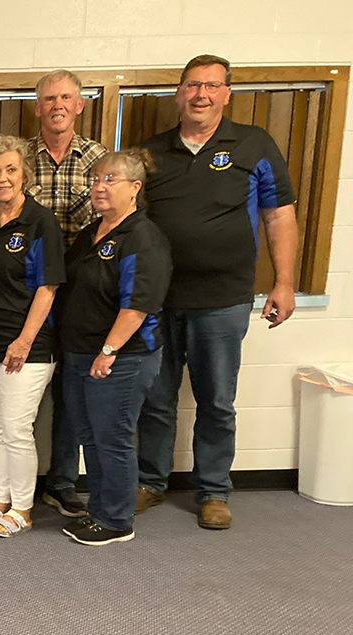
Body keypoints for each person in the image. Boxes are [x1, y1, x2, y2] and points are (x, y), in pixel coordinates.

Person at [136, 55, 298, 530]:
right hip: (158, 300)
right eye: (192, 86)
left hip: (224, 299)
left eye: (211, 86)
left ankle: (212, 492)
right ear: (178, 93)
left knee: (216, 401)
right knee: (155, 397)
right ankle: (149, 481)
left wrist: (284, 282)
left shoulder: (253, 144)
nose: (201, 94)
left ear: (227, 93)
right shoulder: (151, 151)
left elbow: (279, 215)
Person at [59, 150, 172, 546]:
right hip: (80, 351)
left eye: (111, 179)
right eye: (95, 179)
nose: (99, 187)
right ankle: (99, 511)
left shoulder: (142, 237)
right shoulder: (94, 232)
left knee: (113, 437)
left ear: (135, 188)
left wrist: (108, 351)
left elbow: (137, 305)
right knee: (91, 435)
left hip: (121, 357)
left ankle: (118, 519)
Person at [0, 135, 64, 538]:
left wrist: (23, 341)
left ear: (25, 175)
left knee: (18, 428)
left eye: (10, 169)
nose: (2, 178)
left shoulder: (41, 222)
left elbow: (47, 287)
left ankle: (22, 507)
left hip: (30, 346)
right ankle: (0, 500)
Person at [30, 70, 109, 519]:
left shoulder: (99, 159)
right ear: (38, 107)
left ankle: (62, 482)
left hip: (83, 293)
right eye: (48, 98)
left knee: (72, 392)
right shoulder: (19, 159)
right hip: (29, 292)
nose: (57, 105)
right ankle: (12, 483)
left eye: (66, 97)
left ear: (80, 105)